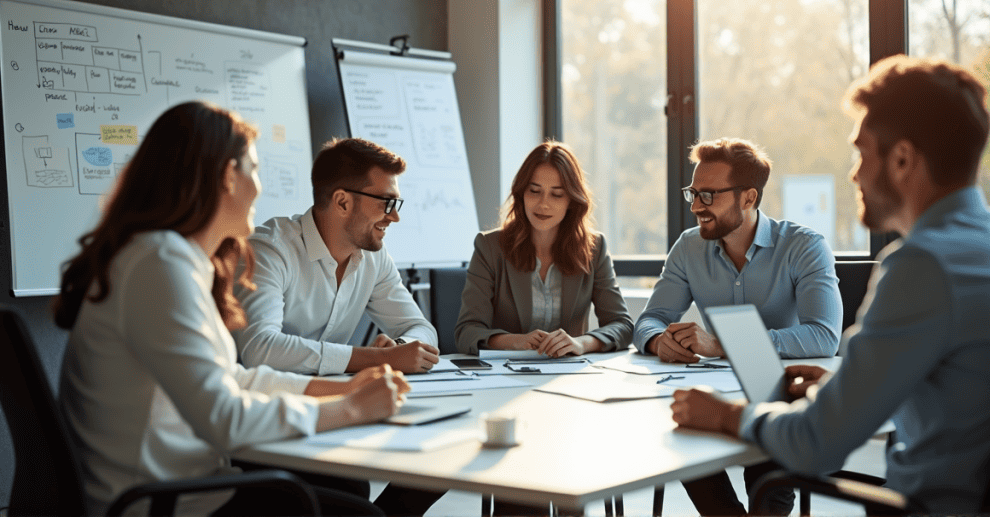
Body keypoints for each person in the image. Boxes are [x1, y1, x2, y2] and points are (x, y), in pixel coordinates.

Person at [671, 56, 990, 514]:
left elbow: (814, 445)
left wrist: (724, 414)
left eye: (862, 152)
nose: (854, 174)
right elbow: (967, 398)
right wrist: (840, 385)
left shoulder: (922, 265)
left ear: (901, 159)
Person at [54, 102, 410, 516]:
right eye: (254, 170)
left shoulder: (168, 258)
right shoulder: (158, 265)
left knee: (345, 491)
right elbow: (224, 417)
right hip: (163, 503)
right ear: (227, 175)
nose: (259, 186)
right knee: (357, 511)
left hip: (179, 488)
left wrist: (341, 388)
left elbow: (232, 378)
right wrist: (351, 408)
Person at [634, 137, 842, 515]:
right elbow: (649, 321)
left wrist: (723, 344)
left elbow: (824, 336)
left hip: (780, 394)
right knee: (683, 427)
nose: (696, 206)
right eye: (693, 193)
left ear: (748, 198)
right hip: (715, 392)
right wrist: (655, 342)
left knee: (767, 464)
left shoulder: (804, 246)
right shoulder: (687, 248)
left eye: (709, 195)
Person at [231, 137, 440, 376]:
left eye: (396, 204)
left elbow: (421, 328)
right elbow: (260, 349)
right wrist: (377, 358)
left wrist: (400, 348)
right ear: (342, 202)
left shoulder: (375, 259)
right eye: (386, 202)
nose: (394, 217)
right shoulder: (269, 251)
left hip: (333, 397)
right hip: (258, 403)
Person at [455, 140, 633, 359]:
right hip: (504, 374)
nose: (543, 204)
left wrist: (580, 343)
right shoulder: (490, 247)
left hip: (566, 374)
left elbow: (622, 325)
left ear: (572, 200)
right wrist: (516, 341)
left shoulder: (594, 248)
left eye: (556, 194)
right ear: (522, 194)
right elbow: (466, 332)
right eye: (534, 191)